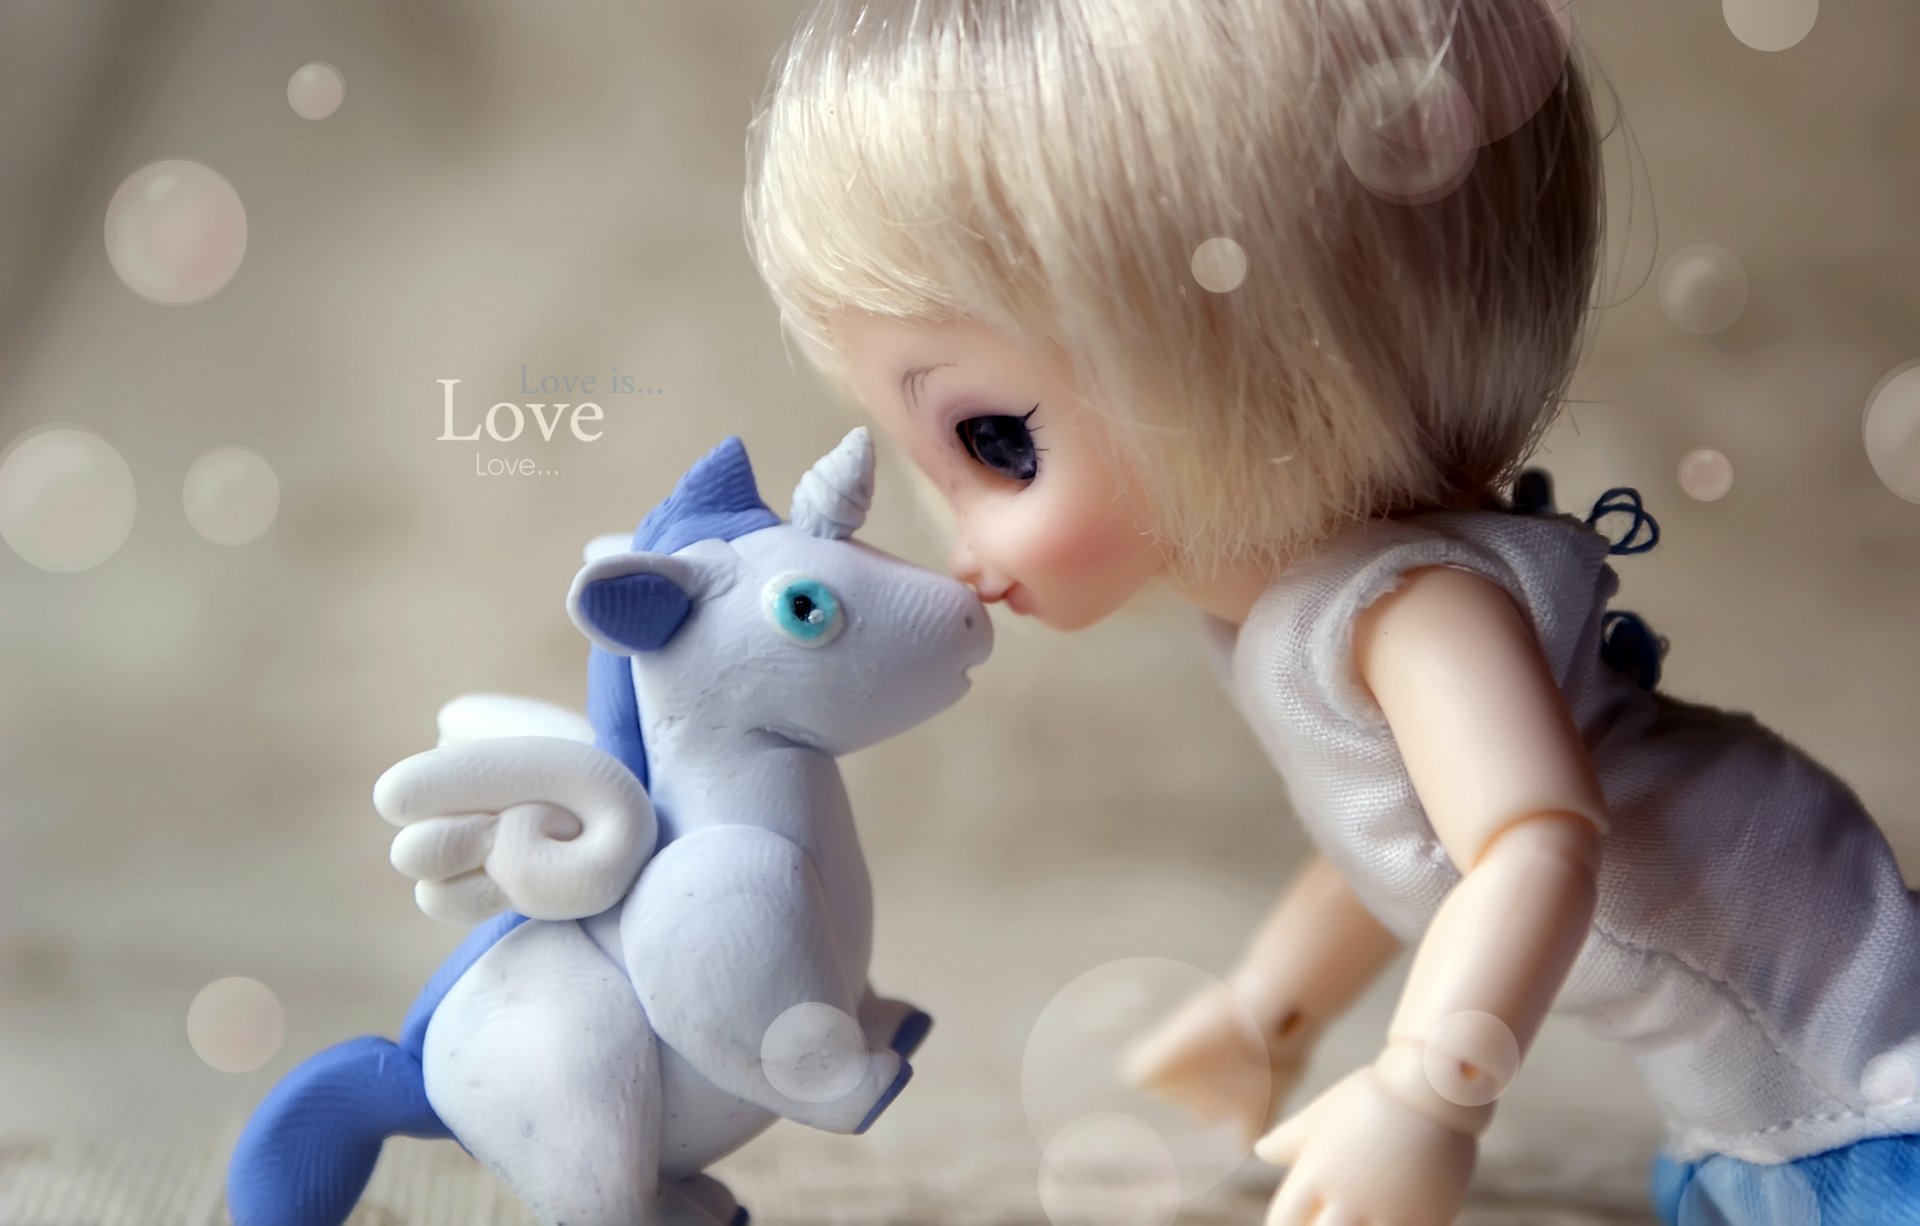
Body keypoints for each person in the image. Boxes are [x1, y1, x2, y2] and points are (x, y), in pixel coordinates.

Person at [737, 2, 1920, 1222]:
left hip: (1871, 1094)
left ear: (1268, 364)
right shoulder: (1290, 616)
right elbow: (1399, 844)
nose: (957, 546)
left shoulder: (1417, 607)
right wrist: (1271, 1008)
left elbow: (1534, 848)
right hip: (1744, 1122)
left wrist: (1427, 1092)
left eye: (996, 442)